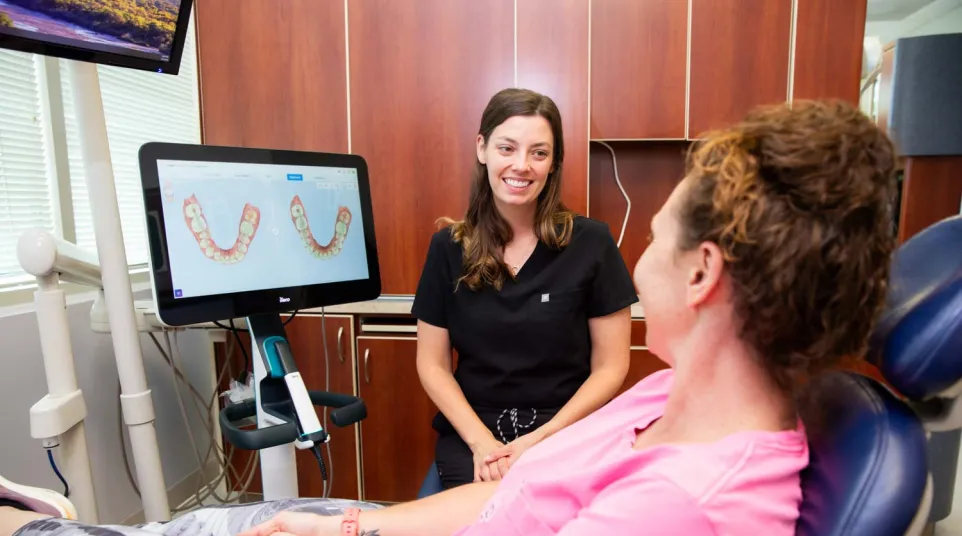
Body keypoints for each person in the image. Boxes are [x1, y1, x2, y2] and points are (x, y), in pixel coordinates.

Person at [0, 99, 898, 536]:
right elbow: (511, 495)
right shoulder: (665, 407)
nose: (641, 256)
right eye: (508, 148)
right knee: (212, 524)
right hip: (472, 490)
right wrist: (355, 526)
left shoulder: (676, 507)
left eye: (657, 239)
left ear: (703, 274)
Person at [410, 88, 638, 488]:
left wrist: (540, 440)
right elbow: (432, 364)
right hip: (474, 430)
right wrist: (482, 443)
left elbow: (611, 366)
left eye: (539, 152)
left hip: (565, 427)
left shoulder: (591, 244)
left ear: (553, 164)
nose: (522, 165)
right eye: (507, 148)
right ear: (482, 148)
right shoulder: (448, 248)